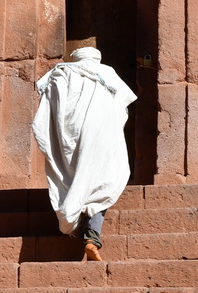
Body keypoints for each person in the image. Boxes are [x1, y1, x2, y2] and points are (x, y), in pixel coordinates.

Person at [32, 46, 137, 261]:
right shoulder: (106, 74)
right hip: (99, 138)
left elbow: (46, 112)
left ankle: (76, 224)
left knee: (73, 180)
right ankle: (91, 237)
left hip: (67, 138)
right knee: (101, 183)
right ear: (96, 59)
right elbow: (121, 107)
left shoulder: (61, 73)